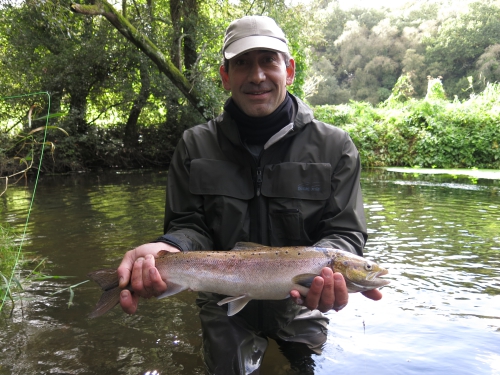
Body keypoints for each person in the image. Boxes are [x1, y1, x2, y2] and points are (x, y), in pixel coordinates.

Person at [117, 15, 382, 374]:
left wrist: (342, 270)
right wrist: (168, 250)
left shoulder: (335, 147)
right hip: (221, 297)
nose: (256, 75)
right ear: (226, 76)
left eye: (268, 60)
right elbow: (188, 224)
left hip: (303, 299)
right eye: (242, 63)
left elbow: (345, 232)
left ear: (288, 70)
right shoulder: (195, 144)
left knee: (303, 367)